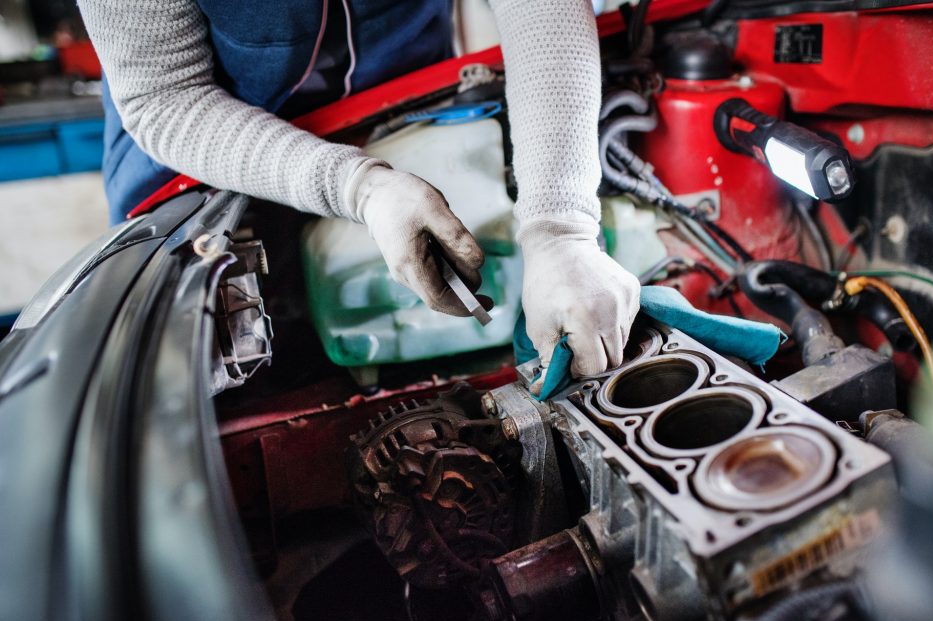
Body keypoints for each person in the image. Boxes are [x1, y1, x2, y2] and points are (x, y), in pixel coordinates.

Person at [78, 0, 640, 380]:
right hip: (209, 154)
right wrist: (357, 186)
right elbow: (165, 96)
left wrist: (560, 228)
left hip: (404, 107)